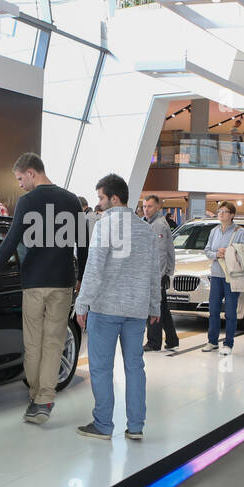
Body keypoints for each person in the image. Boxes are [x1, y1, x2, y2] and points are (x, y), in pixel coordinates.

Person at [0, 153, 86, 424]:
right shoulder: (71, 200)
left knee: (33, 344)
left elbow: (9, 244)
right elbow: (83, 243)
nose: (20, 184)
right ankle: (43, 400)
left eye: (20, 178)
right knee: (54, 342)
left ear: (32, 173)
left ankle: (37, 397)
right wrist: (82, 277)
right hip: (63, 282)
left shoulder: (27, 202)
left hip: (33, 283)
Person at [73, 174, 161, 440]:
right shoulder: (146, 229)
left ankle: (103, 424)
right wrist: (154, 305)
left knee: (101, 367)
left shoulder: (105, 225)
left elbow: (94, 269)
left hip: (105, 308)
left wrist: (82, 303)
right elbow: (153, 271)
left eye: (100, 197)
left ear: (114, 198)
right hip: (135, 310)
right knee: (135, 367)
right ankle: (136, 426)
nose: (98, 203)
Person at [202, 202, 244, 355]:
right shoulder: (214, 231)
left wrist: (231, 252)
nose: (221, 214)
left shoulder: (240, 232)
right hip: (216, 275)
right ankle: (212, 341)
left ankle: (228, 343)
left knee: (230, 311)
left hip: (232, 276)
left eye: (225, 211)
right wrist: (215, 254)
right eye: (220, 211)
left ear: (232, 215)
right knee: (213, 310)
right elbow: (207, 250)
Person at [142, 194, 179, 353]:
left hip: (155, 275)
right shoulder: (151, 223)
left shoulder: (158, 225)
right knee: (162, 308)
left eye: (149, 206)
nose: (146, 209)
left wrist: (156, 277)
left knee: (154, 307)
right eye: (144, 206)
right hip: (155, 274)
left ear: (157, 207)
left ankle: (154, 341)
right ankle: (172, 340)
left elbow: (160, 254)